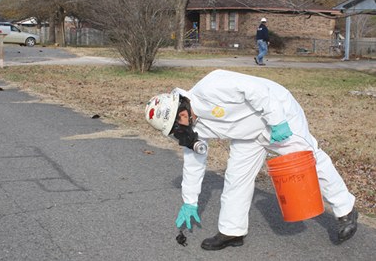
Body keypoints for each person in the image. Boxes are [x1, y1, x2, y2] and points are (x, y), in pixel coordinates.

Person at [144, 69, 358, 251]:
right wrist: (190, 201)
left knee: (309, 158)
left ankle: (346, 209)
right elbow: (194, 162)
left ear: (182, 102)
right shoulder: (190, 128)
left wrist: (277, 122)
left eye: (180, 119)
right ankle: (232, 231)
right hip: (247, 134)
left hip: (277, 114)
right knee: (236, 177)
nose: (182, 126)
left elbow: (259, 92)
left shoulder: (211, 86)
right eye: (176, 127)